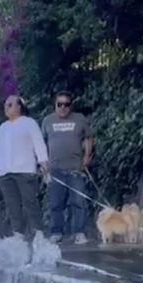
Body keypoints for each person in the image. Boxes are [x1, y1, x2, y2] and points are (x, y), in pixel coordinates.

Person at [0, 95, 49, 238]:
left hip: (24, 170)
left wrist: (43, 161)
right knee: (12, 205)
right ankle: (18, 233)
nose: (6, 107)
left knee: (30, 201)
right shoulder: (2, 127)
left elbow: (38, 143)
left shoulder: (29, 123)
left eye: (10, 104)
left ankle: (38, 231)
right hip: (5, 172)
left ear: (19, 106)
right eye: (5, 105)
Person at [41, 91, 94, 245]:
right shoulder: (47, 121)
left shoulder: (79, 119)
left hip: (75, 169)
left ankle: (79, 232)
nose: (63, 107)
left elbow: (88, 137)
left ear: (71, 106)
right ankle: (56, 232)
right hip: (55, 169)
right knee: (56, 203)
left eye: (67, 104)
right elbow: (41, 143)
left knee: (78, 202)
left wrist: (87, 156)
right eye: (60, 104)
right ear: (55, 105)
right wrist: (43, 163)